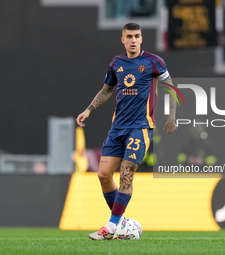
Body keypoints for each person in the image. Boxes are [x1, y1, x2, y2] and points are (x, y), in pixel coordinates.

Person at [76, 22, 177, 240]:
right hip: (117, 128)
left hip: (140, 127)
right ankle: (121, 222)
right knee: (103, 175)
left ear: (141, 39)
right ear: (122, 39)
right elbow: (106, 91)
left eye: (137, 36)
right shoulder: (116, 63)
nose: (133, 39)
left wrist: (171, 118)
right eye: (129, 36)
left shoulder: (154, 62)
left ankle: (111, 227)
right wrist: (88, 109)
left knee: (126, 173)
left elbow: (170, 89)